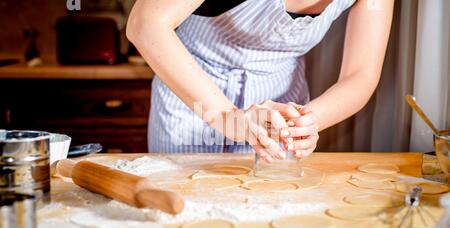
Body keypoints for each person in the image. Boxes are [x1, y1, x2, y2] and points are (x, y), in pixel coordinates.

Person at [126, 0, 394, 162]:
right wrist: (226, 117)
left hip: (281, 105)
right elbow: (146, 24)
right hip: (194, 100)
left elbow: (360, 74)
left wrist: (306, 121)